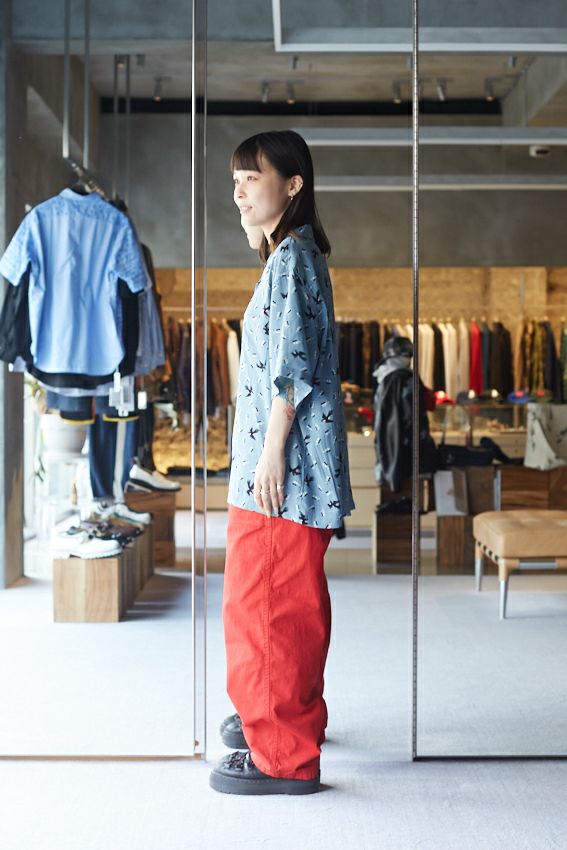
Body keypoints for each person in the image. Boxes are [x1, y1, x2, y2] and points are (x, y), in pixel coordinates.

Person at [209, 129, 355, 796]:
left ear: (292, 185)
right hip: (282, 472)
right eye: (235, 180)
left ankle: (282, 755)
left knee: (265, 609)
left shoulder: (293, 259)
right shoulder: (293, 254)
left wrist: (270, 453)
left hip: (280, 475)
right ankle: (275, 719)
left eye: (252, 178)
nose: (239, 192)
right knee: (284, 606)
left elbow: (292, 366)